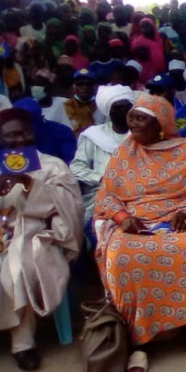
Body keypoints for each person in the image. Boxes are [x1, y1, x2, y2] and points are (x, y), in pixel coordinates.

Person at [94, 95, 186, 371]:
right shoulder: (124, 152)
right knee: (120, 255)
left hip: (177, 219)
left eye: (142, 118)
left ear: (161, 124)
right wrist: (122, 217)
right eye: (132, 117)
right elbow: (106, 195)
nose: (134, 123)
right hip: (135, 221)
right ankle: (139, 341)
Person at [0, 108, 83, 371]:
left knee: (20, 264)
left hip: (38, 234)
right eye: (12, 135)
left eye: (25, 132)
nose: (21, 139)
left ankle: (22, 342)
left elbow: (70, 206)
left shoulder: (51, 164)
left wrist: (28, 184)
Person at [70, 85, 134, 229]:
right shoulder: (94, 135)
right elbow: (76, 167)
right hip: (100, 192)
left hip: (136, 193)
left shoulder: (141, 134)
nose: (122, 112)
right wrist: (101, 178)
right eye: (117, 108)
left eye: (126, 107)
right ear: (108, 111)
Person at [11, 98, 76, 164]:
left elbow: (71, 163)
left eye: (30, 124)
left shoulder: (62, 132)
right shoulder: (7, 137)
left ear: (42, 117)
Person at [147, 73, 186, 138]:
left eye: (159, 91)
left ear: (173, 91)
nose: (155, 95)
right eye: (152, 91)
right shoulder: (146, 111)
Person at [64, 69, 105, 136]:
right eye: (80, 84)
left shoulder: (101, 105)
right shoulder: (66, 105)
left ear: (93, 86)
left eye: (88, 84)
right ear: (74, 86)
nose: (84, 87)